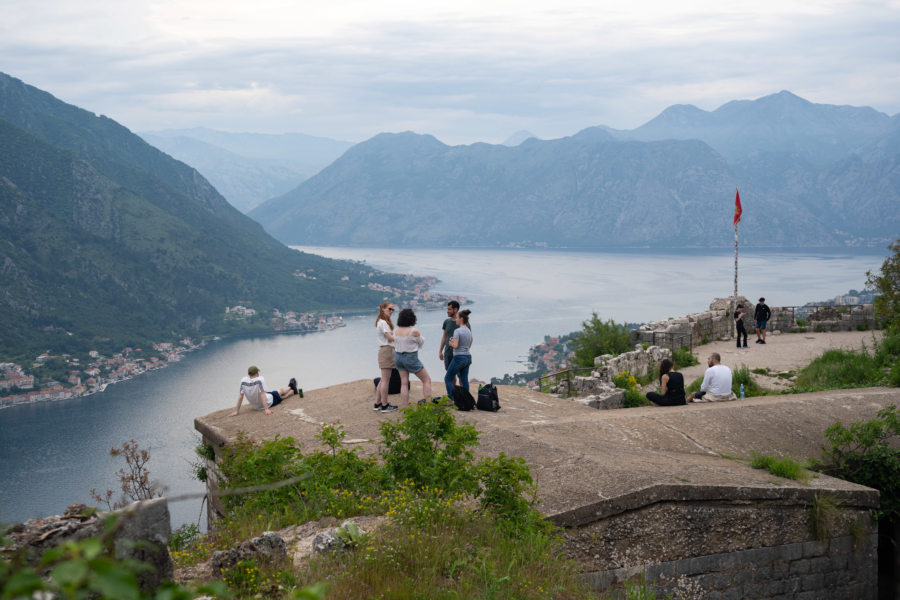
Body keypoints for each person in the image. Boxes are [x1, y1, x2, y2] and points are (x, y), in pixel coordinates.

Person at [393, 308, 434, 408]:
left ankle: (405, 408)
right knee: (426, 380)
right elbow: (421, 342)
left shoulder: (396, 330)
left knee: (404, 383)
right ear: (411, 318)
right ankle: (429, 406)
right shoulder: (414, 331)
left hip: (398, 357)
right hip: (410, 357)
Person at [228, 366, 299, 417]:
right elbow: (262, 395)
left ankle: (292, 391)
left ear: (249, 374)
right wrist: (266, 409)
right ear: (257, 373)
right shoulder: (259, 380)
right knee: (279, 391)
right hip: (267, 402)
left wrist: (237, 411)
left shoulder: (243, 381)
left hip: (256, 406)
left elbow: (241, 397)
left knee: (275, 394)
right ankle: (291, 386)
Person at [374, 302, 398, 412]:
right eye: (389, 309)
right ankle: (384, 405)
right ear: (383, 309)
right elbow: (390, 338)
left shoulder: (380, 322)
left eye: (393, 309)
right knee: (385, 380)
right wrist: (402, 337)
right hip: (387, 350)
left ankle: (377, 403)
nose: (391, 311)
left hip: (383, 350)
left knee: (383, 379)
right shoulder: (383, 322)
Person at [444, 309, 473, 397]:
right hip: (467, 357)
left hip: (458, 358)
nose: (456, 320)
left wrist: (450, 342)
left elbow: (455, 345)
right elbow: (471, 340)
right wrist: (465, 348)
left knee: (448, 378)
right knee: (464, 380)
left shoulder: (457, 331)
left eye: (457, 318)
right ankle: (466, 399)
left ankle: (451, 399)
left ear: (461, 319)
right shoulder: (468, 330)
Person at [439, 301, 460, 388]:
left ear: (455, 309)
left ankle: (463, 398)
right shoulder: (446, 322)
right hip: (448, 353)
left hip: (459, 354)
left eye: (449, 309)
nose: (447, 311)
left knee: (461, 376)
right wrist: (440, 351)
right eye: (447, 309)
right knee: (451, 376)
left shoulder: (462, 322)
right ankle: (453, 394)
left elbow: (469, 338)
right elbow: (444, 337)